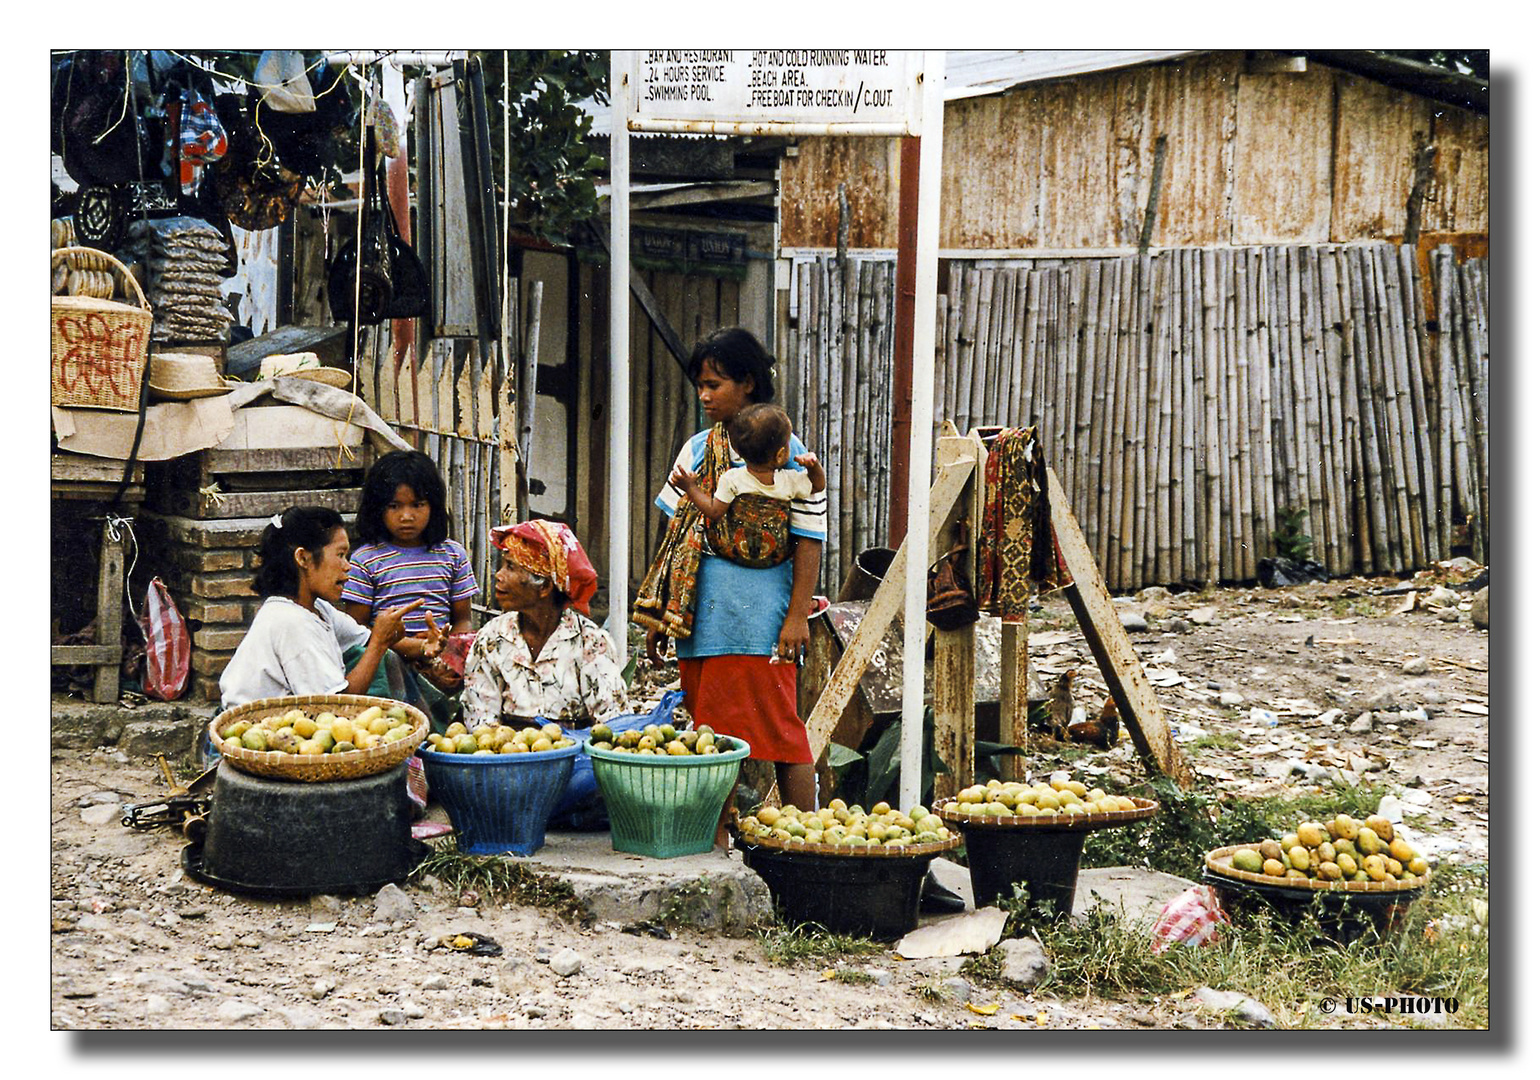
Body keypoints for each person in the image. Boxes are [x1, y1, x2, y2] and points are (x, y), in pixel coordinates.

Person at [640, 327, 825, 818]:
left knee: (784, 730)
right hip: (705, 613)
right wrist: (663, 613)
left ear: (748, 383)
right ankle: (718, 838)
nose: (704, 395)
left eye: (715, 384)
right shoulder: (697, 450)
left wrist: (797, 616)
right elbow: (676, 539)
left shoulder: (787, 452)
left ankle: (804, 834)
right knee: (710, 735)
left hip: (766, 615)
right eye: (699, 384)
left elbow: (810, 540)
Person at [219, 506, 422, 709]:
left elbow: (365, 638)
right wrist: (380, 643)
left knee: (375, 656)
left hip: (291, 721)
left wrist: (424, 647)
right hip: (252, 726)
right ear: (303, 558)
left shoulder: (318, 609)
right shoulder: (290, 621)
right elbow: (335, 709)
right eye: (340, 555)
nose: (347, 566)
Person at [460, 520, 628, 730]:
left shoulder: (590, 643)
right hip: (507, 757)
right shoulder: (491, 639)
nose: (499, 575)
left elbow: (613, 723)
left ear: (545, 587)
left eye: (511, 567)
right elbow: (480, 723)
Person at [342, 450, 477, 690]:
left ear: (433, 507)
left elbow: (463, 619)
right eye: (394, 506)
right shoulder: (365, 560)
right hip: (388, 666)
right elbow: (358, 629)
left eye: (417, 505)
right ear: (378, 508)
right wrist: (413, 649)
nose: (406, 516)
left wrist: (450, 656)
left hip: (442, 665)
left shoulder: (453, 554)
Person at [669, 402, 826, 567]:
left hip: (733, 553)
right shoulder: (787, 481)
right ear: (780, 455)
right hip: (773, 560)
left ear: (737, 451)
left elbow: (713, 511)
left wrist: (690, 487)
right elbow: (818, 486)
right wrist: (813, 466)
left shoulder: (732, 479)